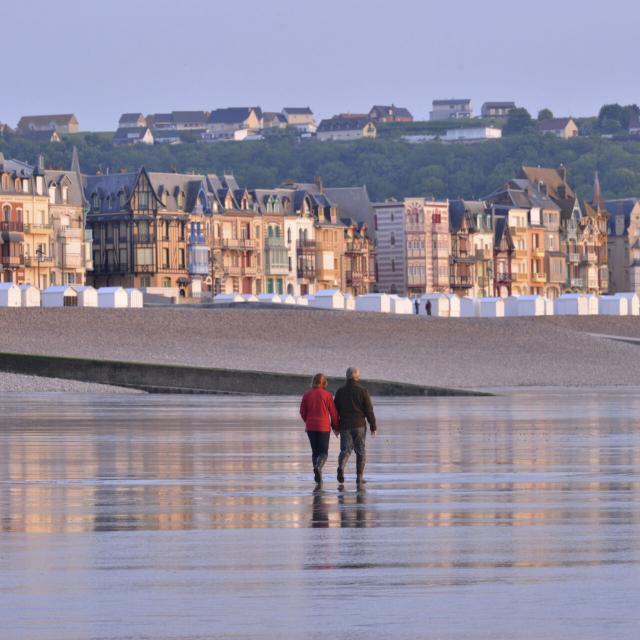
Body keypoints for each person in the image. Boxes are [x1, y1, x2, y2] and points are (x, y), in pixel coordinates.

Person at [334, 367, 377, 487]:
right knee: (360, 451)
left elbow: (335, 411)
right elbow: (369, 410)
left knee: (345, 450)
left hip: (345, 425)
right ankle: (359, 477)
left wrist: (335, 426)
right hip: (359, 424)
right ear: (357, 377)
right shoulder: (363, 391)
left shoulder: (340, 391)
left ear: (346, 376)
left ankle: (341, 467)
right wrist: (373, 426)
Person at [299, 373, 340, 486]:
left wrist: (308, 421)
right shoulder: (327, 395)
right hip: (323, 427)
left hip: (311, 427)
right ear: (324, 382)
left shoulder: (306, 395)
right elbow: (333, 413)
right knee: (323, 453)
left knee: (315, 452)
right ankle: (318, 468)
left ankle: (318, 475)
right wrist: (336, 427)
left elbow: (302, 412)